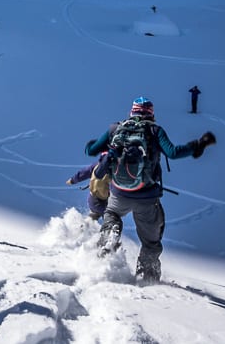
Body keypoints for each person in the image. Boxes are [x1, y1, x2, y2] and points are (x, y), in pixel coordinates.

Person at [85, 96, 216, 283]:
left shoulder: (115, 129)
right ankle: (148, 278)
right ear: (151, 113)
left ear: (132, 111)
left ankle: (111, 231)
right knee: (151, 242)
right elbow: (173, 152)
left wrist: (93, 144)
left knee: (112, 214)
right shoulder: (155, 131)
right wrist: (197, 145)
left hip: (119, 193)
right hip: (146, 197)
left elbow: (92, 150)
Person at [66, 152, 111, 220]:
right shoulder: (117, 170)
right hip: (103, 200)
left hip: (93, 200)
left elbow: (83, 173)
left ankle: (85, 225)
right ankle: (111, 228)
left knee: (97, 213)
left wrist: (72, 180)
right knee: (111, 215)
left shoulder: (96, 166)